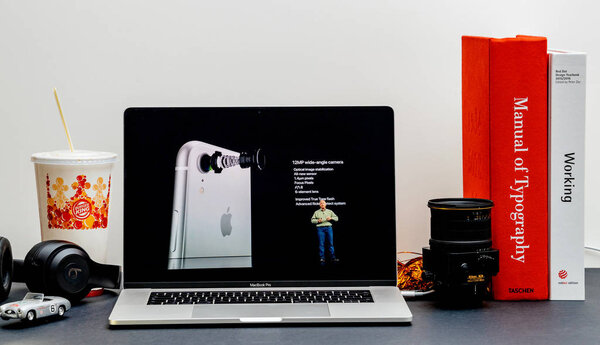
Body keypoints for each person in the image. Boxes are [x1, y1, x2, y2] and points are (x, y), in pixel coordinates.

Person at [310, 199, 339, 265]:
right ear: (319, 205)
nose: (322, 204)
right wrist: (317, 221)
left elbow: (337, 218)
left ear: (325, 204)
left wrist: (331, 218)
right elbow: (312, 220)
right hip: (320, 229)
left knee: (330, 243)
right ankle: (322, 258)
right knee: (321, 244)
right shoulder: (316, 212)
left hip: (328, 228)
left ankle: (333, 258)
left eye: (323, 203)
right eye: (321, 203)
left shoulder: (330, 211)